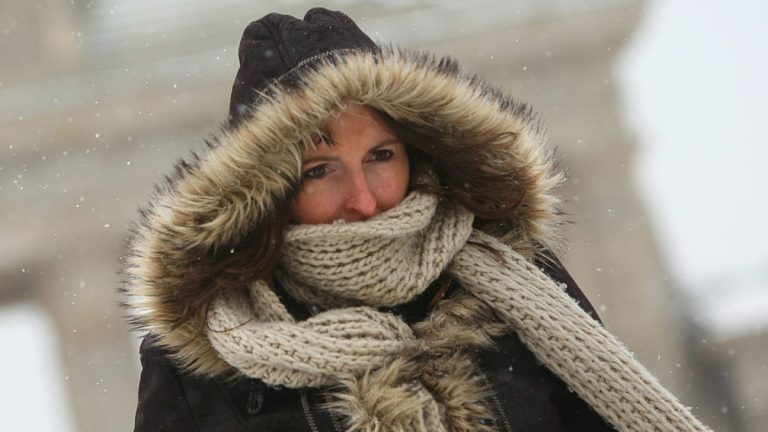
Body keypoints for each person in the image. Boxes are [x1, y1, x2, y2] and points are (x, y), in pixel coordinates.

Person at [122, 7, 710, 432]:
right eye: (320, 171)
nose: (363, 199)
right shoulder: (199, 365)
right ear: (267, 194)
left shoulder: (518, 281)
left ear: (415, 152)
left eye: (380, 156)